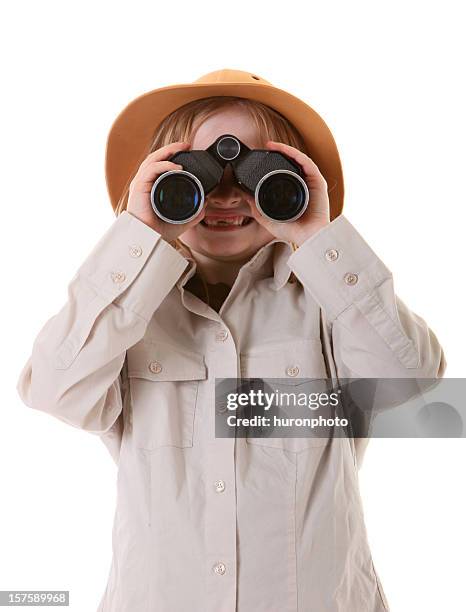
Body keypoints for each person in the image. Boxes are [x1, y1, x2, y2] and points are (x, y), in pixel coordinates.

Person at [16, 69, 446, 612]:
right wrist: (139, 236)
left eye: (255, 171)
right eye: (193, 174)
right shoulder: (128, 315)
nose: (225, 195)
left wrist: (318, 237)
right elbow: (56, 389)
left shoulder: (330, 303)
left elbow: (406, 381)